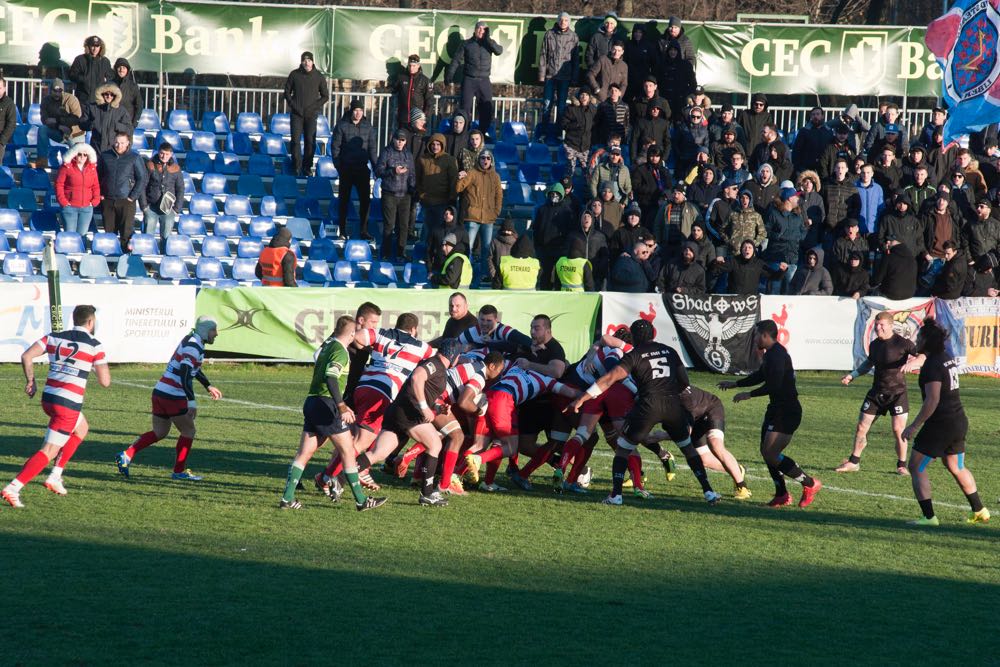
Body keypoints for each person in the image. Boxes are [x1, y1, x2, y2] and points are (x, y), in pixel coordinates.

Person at [568, 319, 721, 506]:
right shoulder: (670, 351)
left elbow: (609, 379)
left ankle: (616, 495)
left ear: (634, 337)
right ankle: (709, 491)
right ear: (654, 334)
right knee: (688, 448)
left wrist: (582, 398)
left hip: (648, 405)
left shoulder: (634, 355)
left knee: (623, 447)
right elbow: (684, 381)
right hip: (673, 405)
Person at [2, 306, 110, 508]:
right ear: (91, 323)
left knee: (82, 428)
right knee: (49, 450)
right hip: (68, 404)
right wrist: (93, 366)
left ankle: (55, 475)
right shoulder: (95, 345)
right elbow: (105, 381)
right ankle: (13, 487)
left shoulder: (54, 336)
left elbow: (27, 356)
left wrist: (31, 381)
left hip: (49, 398)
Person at [279, 315, 386, 511]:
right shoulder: (340, 351)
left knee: (304, 453)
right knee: (347, 451)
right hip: (326, 404)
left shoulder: (327, 346)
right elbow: (331, 377)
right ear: (352, 334)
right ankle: (361, 501)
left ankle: (287, 498)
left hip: (312, 401)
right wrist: (341, 405)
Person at [719, 319, 822, 508]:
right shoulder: (771, 354)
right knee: (767, 453)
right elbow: (761, 375)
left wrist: (748, 394)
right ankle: (781, 494)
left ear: (765, 335)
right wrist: (735, 384)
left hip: (787, 411)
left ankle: (810, 484)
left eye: (756, 334)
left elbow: (773, 385)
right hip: (775, 409)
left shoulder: (777, 355)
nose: (754, 338)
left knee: (771, 453)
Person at [352, 340, 465, 506]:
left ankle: (335, 476)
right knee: (434, 444)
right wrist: (424, 407)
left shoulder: (439, 367)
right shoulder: (435, 363)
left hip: (399, 412)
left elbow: (424, 392)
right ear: (453, 354)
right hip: (409, 413)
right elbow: (418, 377)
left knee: (379, 453)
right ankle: (427, 494)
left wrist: (437, 408)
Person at [901, 318, 990, 526]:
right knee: (955, 465)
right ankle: (980, 510)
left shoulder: (932, 365)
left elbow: (933, 400)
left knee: (916, 467)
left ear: (927, 341)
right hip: (958, 420)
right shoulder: (945, 357)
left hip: (941, 425)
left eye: (920, 337)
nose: (916, 340)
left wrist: (914, 425)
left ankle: (929, 517)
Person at [115, 318, 222, 482]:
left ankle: (127, 454)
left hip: (160, 391)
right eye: (214, 330)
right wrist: (191, 402)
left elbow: (191, 369)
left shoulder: (191, 340)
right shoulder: (194, 346)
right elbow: (185, 373)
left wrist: (208, 385)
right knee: (189, 431)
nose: (216, 333)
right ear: (205, 330)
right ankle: (178, 471)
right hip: (173, 395)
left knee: (160, 432)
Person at [837, 311, 922, 476]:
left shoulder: (902, 343)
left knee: (898, 430)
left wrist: (915, 363)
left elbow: (923, 356)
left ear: (891, 326)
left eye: (882, 325)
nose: (878, 328)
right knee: (861, 427)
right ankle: (854, 462)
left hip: (897, 394)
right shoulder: (875, 344)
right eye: (876, 324)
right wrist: (852, 375)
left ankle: (902, 465)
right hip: (876, 393)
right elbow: (868, 364)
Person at [681, 385, 752, 500]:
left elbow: (685, 433)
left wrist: (659, 436)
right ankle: (738, 469)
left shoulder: (683, 397)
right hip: (696, 418)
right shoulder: (666, 393)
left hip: (711, 408)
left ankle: (742, 487)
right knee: (704, 460)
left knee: (715, 444)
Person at [446, 21, 503, 138]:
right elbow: (456, 60)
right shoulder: (466, 43)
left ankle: (482, 133)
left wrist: (488, 39)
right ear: (475, 30)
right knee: (465, 107)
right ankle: (464, 133)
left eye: (484, 29)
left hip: (484, 79)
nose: (481, 31)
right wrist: (449, 75)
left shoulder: (489, 44)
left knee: (486, 107)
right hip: (469, 79)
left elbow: (499, 51)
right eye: (479, 29)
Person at [331, 99, 377, 240]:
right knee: (344, 200)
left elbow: (372, 149)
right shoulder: (342, 125)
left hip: (362, 169)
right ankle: (343, 231)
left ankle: (363, 230)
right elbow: (335, 148)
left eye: (361, 111)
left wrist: (376, 167)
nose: (358, 113)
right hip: (346, 169)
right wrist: (339, 166)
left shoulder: (368, 127)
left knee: (365, 201)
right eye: (356, 110)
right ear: (351, 110)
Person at [457, 149, 503, 277]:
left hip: (488, 218)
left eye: (488, 158)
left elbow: (499, 196)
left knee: (487, 249)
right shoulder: (472, 173)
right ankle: (465, 274)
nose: (485, 160)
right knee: (468, 247)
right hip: (472, 217)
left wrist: (496, 212)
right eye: (483, 158)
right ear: (479, 159)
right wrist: (460, 177)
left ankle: (484, 275)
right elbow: (458, 188)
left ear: (491, 161)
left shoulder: (495, 176)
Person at [284, 51, 329, 177]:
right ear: (301, 61)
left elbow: (325, 96)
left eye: (309, 60)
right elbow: (287, 93)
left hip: (311, 115)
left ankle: (307, 167)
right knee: (295, 141)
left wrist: (313, 107)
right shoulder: (294, 74)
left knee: (310, 141)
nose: (306, 62)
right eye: (304, 60)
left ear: (313, 62)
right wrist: (295, 106)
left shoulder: (319, 76)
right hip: (296, 114)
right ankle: (296, 166)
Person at [97, 131, 146, 248]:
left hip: (126, 201)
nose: (119, 146)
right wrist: (100, 194)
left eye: (123, 143)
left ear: (128, 143)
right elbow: (98, 176)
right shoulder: (105, 156)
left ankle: (124, 259)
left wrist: (132, 197)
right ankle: (110, 262)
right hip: (108, 200)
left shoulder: (134, 157)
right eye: (117, 143)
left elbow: (142, 178)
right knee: (109, 234)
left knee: (126, 233)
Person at [374, 129, 416, 260]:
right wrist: (393, 171)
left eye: (402, 140)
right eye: (398, 139)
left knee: (403, 225)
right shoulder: (386, 152)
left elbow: (412, 174)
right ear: (393, 139)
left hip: (405, 195)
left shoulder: (408, 155)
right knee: (389, 225)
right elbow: (378, 171)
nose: (400, 142)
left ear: (406, 141)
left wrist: (413, 188)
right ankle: (386, 253)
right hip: (389, 193)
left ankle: (400, 252)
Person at [763, 187, 808, 294]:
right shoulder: (774, 213)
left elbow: (803, 234)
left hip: (792, 260)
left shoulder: (797, 216)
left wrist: (800, 235)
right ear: (789, 198)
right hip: (776, 259)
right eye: (796, 196)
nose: (798, 198)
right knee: (774, 292)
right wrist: (778, 236)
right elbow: (765, 230)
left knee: (788, 294)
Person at [140, 142, 184, 250]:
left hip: (168, 208)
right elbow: (142, 186)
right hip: (151, 207)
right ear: (158, 152)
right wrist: (144, 206)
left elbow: (180, 189)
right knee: (147, 236)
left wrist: (176, 209)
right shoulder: (150, 165)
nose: (164, 156)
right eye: (162, 153)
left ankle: (165, 260)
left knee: (166, 237)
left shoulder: (175, 168)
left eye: (167, 154)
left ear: (171, 154)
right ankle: (146, 261)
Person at [416, 133, 459, 238]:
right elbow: (417, 179)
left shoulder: (450, 160)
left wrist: (451, 198)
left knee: (440, 231)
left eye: (438, 144)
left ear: (442, 145)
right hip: (427, 202)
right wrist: (421, 195)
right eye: (433, 144)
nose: (435, 147)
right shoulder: (422, 159)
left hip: (442, 202)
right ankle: (426, 253)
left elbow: (453, 181)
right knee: (427, 230)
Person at [538, 12, 579, 122]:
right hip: (550, 76)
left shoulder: (573, 37)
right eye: (561, 20)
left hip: (565, 76)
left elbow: (576, 60)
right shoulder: (549, 34)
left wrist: (574, 78)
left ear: (569, 22)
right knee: (547, 105)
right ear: (557, 21)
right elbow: (543, 55)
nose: (563, 22)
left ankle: (558, 133)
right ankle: (543, 134)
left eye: (566, 20)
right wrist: (542, 75)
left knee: (561, 107)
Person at [533, 182, 574, 290]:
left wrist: (565, 247)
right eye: (552, 194)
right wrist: (538, 245)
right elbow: (536, 228)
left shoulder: (567, 211)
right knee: (545, 274)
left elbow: (569, 231)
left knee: (559, 275)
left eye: (557, 194)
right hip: (544, 248)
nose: (554, 196)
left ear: (561, 195)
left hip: (560, 249)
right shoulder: (542, 210)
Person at [55, 143, 101, 237]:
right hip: (70, 208)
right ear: (75, 154)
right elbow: (59, 185)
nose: (82, 157)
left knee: (82, 236)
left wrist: (95, 200)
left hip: (86, 208)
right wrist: (63, 201)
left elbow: (95, 186)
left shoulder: (92, 168)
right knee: (69, 236)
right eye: (80, 154)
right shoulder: (66, 167)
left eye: (85, 154)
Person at [38, 79, 84, 160]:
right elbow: (45, 120)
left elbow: (76, 119)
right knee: (42, 129)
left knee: (78, 158)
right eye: (54, 91)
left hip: (74, 134)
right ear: (50, 91)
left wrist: (57, 121)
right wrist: (59, 126)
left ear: (63, 90)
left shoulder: (71, 99)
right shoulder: (46, 101)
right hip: (58, 132)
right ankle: (42, 159)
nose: (57, 93)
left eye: (59, 91)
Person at [82, 83, 132, 154]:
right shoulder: (92, 107)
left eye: (112, 95)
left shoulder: (121, 110)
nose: (109, 96)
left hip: (113, 148)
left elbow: (129, 129)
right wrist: (91, 124)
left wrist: (117, 125)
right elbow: (82, 123)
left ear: (115, 96)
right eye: (106, 94)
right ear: (102, 94)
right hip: (96, 147)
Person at [656, 40, 696, 121]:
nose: (673, 52)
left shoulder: (686, 65)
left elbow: (693, 84)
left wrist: (685, 94)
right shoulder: (661, 64)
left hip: (680, 102)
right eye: (671, 50)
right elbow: (657, 82)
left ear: (678, 51)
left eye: (675, 50)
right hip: (664, 100)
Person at [68, 35, 113, 106]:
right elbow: (72, 75)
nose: (95, 49)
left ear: (101, 47)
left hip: (99, 100)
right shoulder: (80, 59)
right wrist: (84, 79)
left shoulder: (105, 61)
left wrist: (105, 79)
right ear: (88, 46)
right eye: (93, 46)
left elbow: (110, 76)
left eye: (97, 46)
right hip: (83, 100)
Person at [561, 88, 596, 175]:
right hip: (571, 144)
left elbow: (596, 126)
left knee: (588, 173)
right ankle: (568, 188)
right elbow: (563, 124)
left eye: (586, 95)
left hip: (585, 147)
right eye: (582, 95)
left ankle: (587, 188)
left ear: (589, 97)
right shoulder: (571, 108)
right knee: (569, 172)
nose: (584, 97)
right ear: (578, 96)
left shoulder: (593, 110)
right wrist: (575, 125)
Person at [391, 54, 430, 131]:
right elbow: (393, 89)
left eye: (414, 66)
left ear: (418, 65)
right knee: (402, 141)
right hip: (403, 118)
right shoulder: (401, 77)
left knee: (417, 141)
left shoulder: (424, 80)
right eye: (409, 66)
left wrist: (425, 117)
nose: (411, 68)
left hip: (418, 120)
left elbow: (429, 100)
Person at [427, 205, 468, 271]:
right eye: (446, 213)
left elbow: (466, 252)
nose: (448, 215)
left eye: (451, 213)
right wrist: (429, 269)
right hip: (438, 267)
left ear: (455, 215)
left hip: (455, 269)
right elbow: (429, 250)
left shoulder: (462, 231)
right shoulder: (436, 230)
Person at [587, 40, 628, 104]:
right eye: (614, 50)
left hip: (614, 100)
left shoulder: (624, 66)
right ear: (611, 49)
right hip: (599, 99)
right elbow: (590, 74)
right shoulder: (603, 59)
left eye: (619, 51)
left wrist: (620, 94)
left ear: (622, 52)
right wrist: (597, 89)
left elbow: (624, 84)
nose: (616, 53)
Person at [112, 57, 140, 129]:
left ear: (127, 70)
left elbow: (139, 105)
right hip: (112, 123)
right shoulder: (110, 84)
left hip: (127, 123)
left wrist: (134, 123)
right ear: (115, 69)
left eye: (124, 67)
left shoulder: (133, 86)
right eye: (119, 67)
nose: (121, 70)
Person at [488, 218, 517, 287]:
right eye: (505, 230)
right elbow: (490, 258)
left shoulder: (517, 243)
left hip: (511, 278)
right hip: (497, 278)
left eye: (508, 230)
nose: (506, 232)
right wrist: (493, 274)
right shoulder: (495, 241)